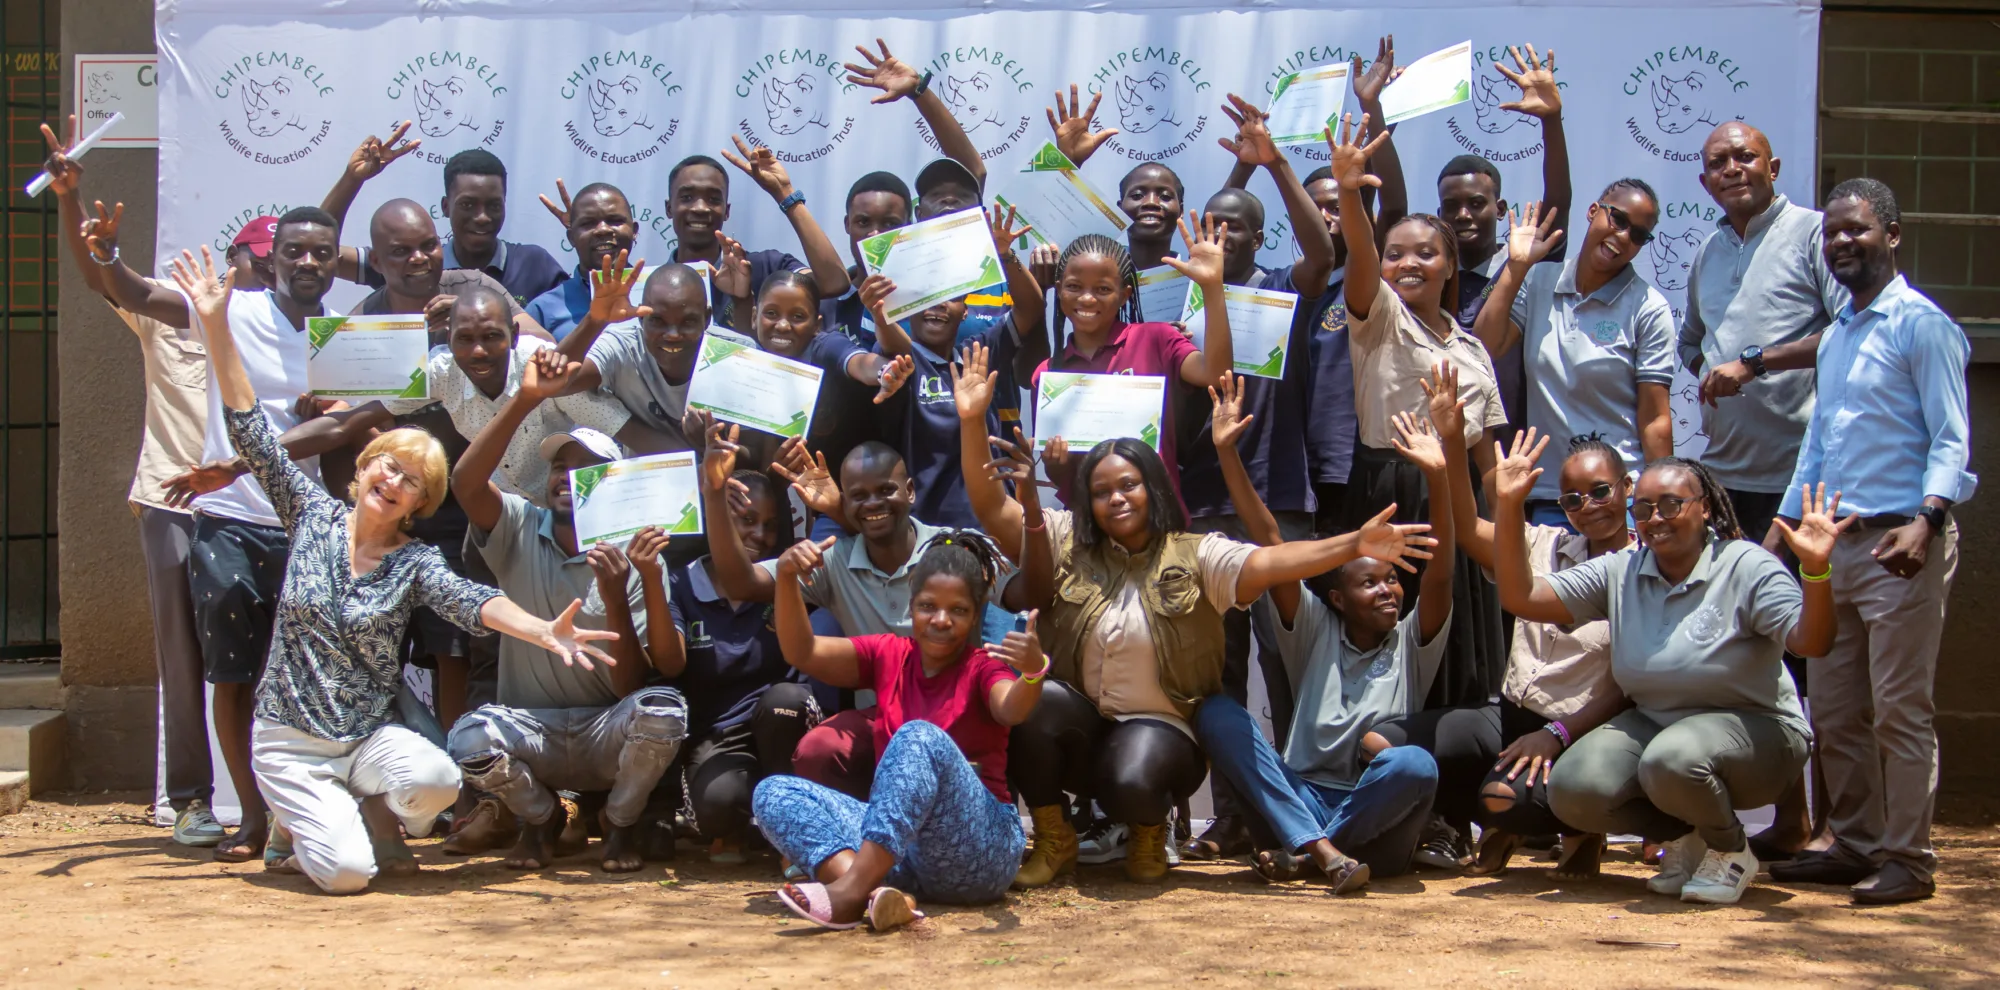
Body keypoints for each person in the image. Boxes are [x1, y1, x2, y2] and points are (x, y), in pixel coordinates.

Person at [169, 246, 619, 895]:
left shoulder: (412, 562)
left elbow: (472, 600)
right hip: (291, 742)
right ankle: (302, 824)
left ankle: (360, 809)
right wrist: (214, 324)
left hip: (363, 742)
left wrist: (544, 629)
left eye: (412, 480)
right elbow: (253, 436)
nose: (394, 479)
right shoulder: (311, 516)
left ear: (420, 504)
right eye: (386, 464)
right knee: (350, 877)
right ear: (361, 472)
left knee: (435, 781)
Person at [955, 368, 1436, 885]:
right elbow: (989, 505)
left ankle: (1146, 828)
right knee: (1038, 697)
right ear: (1086, 501)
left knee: (1134, 779)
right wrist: (971, 419)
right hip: (1084, 721)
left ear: (1153, 488)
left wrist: (1352, 545)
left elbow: (1276, 561)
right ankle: (1054, 836)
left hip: (1162, 731)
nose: (1116, 498)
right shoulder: (1065, 538)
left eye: (1128, 485)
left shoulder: (1198, 554)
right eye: (1101, 491)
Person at [97, 206, 348, 862]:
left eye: (322, 253)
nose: (307, 263)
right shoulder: (231, 313)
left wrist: (326, 413)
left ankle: (298, 816)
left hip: (303, 527)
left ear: (335, 259)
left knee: (295, 679)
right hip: (230, 524)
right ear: (274, 259)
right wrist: (100, 247)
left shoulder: (342, 335)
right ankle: (254, 818)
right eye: (294, 251)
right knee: (234, 676)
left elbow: (354, 424)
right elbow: (132, 293)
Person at [1493, 446, 1847, 905]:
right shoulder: (1622, 570)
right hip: (1660, 729)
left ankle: (1730, 849)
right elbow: (1523, 598)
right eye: (1643, 508)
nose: (1655, 517)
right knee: (1574, 788)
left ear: (1704, 508)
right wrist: (1506, 506)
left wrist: (1816, 571)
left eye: (1671, 504)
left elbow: (1812, 643)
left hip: (1759, 735)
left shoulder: (1746, 565)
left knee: (1672, 758)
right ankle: (1687, 834)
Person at [1765, 179, 1975, 905]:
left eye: (1856, 230)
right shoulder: (1839, 337)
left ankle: (1908, 859)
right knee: (1833, 707)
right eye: (1832, 235)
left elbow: (1951, 436)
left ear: (1892, 234)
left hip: (1902, 546)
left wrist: (1930, 518)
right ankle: (1852, 842)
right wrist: (1780, 537)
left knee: (1900, 710)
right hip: (1835, 548)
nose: (1842, 243)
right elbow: (1817, 447)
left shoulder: (1923, 326)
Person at [1193, 372, 1451, 892]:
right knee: (1216, 712)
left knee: (1414, 764)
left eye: (1394, 582)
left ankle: (1312, 853)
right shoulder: (1312, 628)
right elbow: (1268, 541)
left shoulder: (1411, 640)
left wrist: (1440, 476)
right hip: (1297, 795)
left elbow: (1442, 571)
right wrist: (1227, 454)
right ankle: (1322, 851)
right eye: (1370, 582)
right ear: (1336, 599)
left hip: (1374, 809)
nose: (1388, 592)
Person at [42, 122, 226, 847]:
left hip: (251, 506)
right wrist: (73, 202)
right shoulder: (164, 323)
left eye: (238, 269)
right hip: (172, 505)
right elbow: (102, 277)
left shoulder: (269, 332)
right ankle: (191, 799)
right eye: (215, 267)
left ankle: (274, 796)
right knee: (183, 655)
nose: (221, 281)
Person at [1374, 370, 1632, 878]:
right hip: (1511, 715)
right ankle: (1466, 823)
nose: (1588, 508)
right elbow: (1468, 528)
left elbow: (1631, 688)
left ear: (1627, 487)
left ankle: (1568, 826)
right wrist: (1452, 440)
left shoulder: (1645, 570)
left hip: (1583, 729)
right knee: (1382, 742)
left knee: (1501, 800)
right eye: (1572, 499)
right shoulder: (1544, 544)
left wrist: (1557, 733)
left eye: (1600, 491)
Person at [1170, 94, 1338, 861]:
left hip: (1282, 500)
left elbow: (1324, 254)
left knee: (1292, 663)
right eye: (1214, 221)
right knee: (1222, 672)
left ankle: (1305, 815)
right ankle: (1234, 814)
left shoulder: (1287, 285)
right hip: (1200, 504)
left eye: (1238, 223)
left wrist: (1273, 164)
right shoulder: (1174, 299)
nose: (1224, 233)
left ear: (1259, 235)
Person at [704, 420, 1042, 796]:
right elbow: (742, 584)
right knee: (821, 748)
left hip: (960, 720)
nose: (874, 503)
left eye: (886, 490)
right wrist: (715, 492)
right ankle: (844, 837)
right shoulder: (837, 563)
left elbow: (1030, 593)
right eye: (859, 496)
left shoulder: (956, 550)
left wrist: (1031, 508)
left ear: (910, 491)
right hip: (885, 722)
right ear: (844, 504)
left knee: (1031, 711)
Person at [447, 350, 691, 872]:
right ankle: (542, 818)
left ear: (614, 485)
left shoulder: (634, 551)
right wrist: (526, 399)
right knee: (467, 736)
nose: (565, 478)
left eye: (584, 471)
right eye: (560, 466)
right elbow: (465, 483)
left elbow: (642, 683)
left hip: (606, 732)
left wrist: (626, 583)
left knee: (664, 709)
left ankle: (619, 823)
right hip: (529, 731)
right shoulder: (516, 523)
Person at [756, 532, 1048, 931]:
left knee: (917, 736)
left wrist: (1031, 674)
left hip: (979, 855)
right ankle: (876, 894)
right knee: (773, 793)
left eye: (957, 610)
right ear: (911, 605)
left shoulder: (984, 666)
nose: (941, 620)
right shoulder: (888, 653)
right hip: (902, 859)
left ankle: (849, 892)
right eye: (928, 606)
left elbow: (1010, 708)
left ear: (976, 614)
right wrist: (787, 579)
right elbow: (802, 652)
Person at [1329, 115, 1507, 709]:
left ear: (1450, 266)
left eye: (1426, 254)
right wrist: (1351, 193)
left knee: (1463, 636)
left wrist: (1498, 514)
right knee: (1389, 635)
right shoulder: (1376, 317)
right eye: (1396, 253)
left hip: (1459, 498)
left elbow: (1485, 452)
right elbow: (1358, 247)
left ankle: (1454, 782)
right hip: (1390, 489)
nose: (1409, 263)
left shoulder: (1472, 345)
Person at [1679, 122, 1850, 544]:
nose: (1732, 169)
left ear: (1772, 168)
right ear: (1706, 183)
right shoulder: (1707, 253)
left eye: (1745, 157)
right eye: (1718, 164)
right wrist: (1715, 373)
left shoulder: (1814, 233)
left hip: (1800, 479)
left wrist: (1754, 364)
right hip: (1723, 476)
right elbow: (1689, 341)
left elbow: (1850, 333)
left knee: (1791, 606)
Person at [1472, 185, 1675, 528]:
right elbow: (1484, 347)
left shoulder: (1649, 307)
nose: (1623, 236)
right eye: (1618, 219)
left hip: (1620, 499)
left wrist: (1658, 503)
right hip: (1552, 497)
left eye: (1638, 234)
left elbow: (1655, 418)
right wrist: (1516, 266)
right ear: (1594, 210)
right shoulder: (1539, 278)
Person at [664, 469, 817, 863]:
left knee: (787, 699)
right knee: (718, 804)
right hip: (718, 738)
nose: (760, 536)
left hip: (782, 729)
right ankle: (738, 826)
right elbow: (667, 664)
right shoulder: (680, 584)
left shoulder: (782, 578)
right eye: (747, 521)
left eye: (770, 525)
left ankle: (790, 824)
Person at [1031, 216, 1237, 508]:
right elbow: (1059, 477)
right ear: (1059, 289)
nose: (1087, 299)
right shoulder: (1047, 374)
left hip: (1159, 520)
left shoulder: (1157, 339)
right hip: (1086, 529)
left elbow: (1216, 375)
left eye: (1103, 289)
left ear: (1124, 295)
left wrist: (1212, 287)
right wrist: (1055, 463)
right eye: (1075, 287)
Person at [864, 205, 1047, 528]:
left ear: (965, 310)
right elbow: (893, 343)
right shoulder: (906, 361)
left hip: (994, 526)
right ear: (909, 308)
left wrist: (1005, 256)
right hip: (926, 531)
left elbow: (1031, 309)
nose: (938, 305)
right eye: (926, 297)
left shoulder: (979, 352)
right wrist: (880, 313)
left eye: (950, 297)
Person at [1433, 45, 1571, 433]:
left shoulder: (1525, 263)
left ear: (1499, 208)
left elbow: (1559, 201)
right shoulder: (1431, 277)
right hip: (1445, 449)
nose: (1463, 215)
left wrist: (1551, 121)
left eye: (1476, 203)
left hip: (1511, 449)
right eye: (1451, 206)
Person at [433, 149, 570, 305]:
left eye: (494, 205)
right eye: (467, 204)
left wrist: (580, 233)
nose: (482, 217)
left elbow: (588, 312)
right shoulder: (427, 269)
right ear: (445, 207)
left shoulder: (534, 265)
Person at [524, 181, 647, 341]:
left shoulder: (661, 292)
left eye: (614, 220)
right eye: (588, 223)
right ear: (571, 238)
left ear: (634, 231)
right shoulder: (542, 310)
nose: (603, 230)